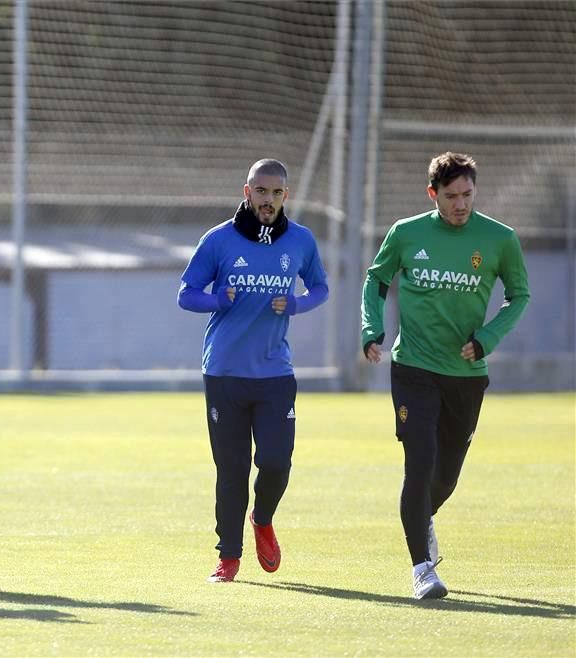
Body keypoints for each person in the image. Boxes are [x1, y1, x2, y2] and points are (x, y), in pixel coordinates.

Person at [361, 152, 530, 600]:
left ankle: (422, 518)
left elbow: (519, 296)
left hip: (467, 374)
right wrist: (370, 328)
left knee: (446, 476)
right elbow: (376, 280)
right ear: (432, 194)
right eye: (451, 196)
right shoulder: (407, 233)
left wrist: (487, 338)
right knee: (419, 460)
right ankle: (422, 569)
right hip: (414, 367)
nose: (461, 204)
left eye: (468, 195)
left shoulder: (500, 239)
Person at [178, 158, 329, 582]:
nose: (268, 200)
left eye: (276, 193)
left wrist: (297, 304)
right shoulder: (219, 240)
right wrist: (218, 300)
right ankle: (228, 558)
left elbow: (320, 287)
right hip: (225, 372)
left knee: (277, 462)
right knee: (232, 470)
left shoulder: (300, 240)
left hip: (275, 373)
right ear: (247, 192)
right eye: (261, 191)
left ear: (286, 196)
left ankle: (261, 518)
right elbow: (187, 294)